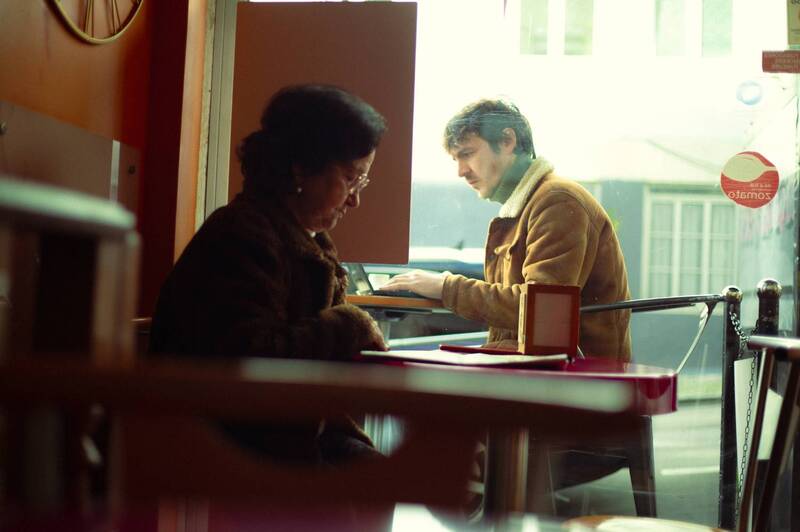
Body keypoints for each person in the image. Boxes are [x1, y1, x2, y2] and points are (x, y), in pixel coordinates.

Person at [148, 84, 390, 467]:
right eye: (350, 178)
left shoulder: (304, 240)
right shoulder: (241, 236)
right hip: (222, 454)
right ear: (301, 168)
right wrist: (348, 326)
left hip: (282, 439)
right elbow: (250, 362)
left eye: (361, 182)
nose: (355, 199)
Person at [381, 98, 631, 360]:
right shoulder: (530, 205)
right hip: (541, 367)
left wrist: (446, 287)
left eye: (467, 153)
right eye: (456, 159)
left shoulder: (557, 201)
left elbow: (539, 310)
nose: (461, 171)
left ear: (507, 141)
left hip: (576, 374)